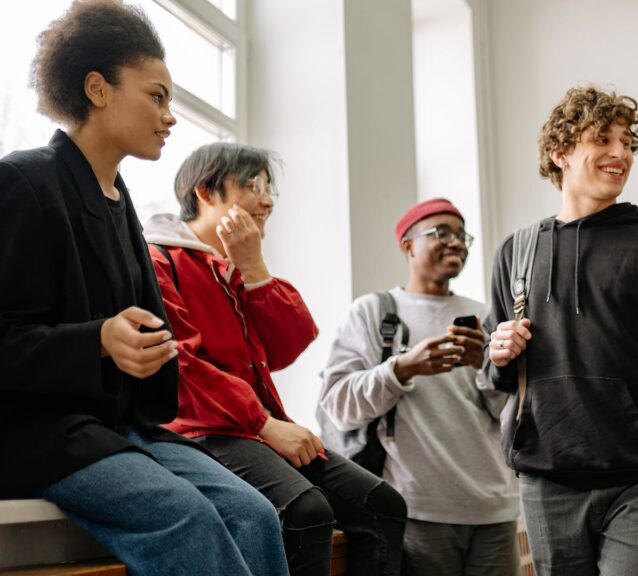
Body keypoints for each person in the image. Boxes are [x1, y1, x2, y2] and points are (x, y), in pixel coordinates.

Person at [0, 2, 288, 574]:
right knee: (187, 515)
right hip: (39, 431)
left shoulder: (122, 202)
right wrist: (99, 341)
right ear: (97, 89)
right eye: (157, 97)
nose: (170, 116)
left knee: (256, 514)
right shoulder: (24, 180)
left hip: (118, 427)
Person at [484, 86, 638, 576]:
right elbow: (496, 380)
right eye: (603, 139)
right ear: (560, 153)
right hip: (546, 479)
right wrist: (498, 355)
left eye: (627, 142)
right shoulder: (517, 250)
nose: (621, 153)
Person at [143, 142, 408, 576]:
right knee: (305, 512)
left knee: (383, 506)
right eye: (252, 185)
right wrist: (264, 424)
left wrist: (254, 269)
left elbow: (288, 346)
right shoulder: (158, 261)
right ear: (206, 193)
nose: (266, 199)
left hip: (253, 427)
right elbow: (180, 367)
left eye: (270, 188)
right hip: (203, 432)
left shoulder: (233, 269)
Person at [318, 197, 520, 576]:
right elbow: (337, 404)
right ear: (408, 245)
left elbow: (513, 413)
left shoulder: (487, 315)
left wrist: (485, 367)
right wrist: (402, 369)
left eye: (463, 235)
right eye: (441, 232)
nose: (457, 242)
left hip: (495, 508)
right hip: (417, 510)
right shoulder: (374, 312)